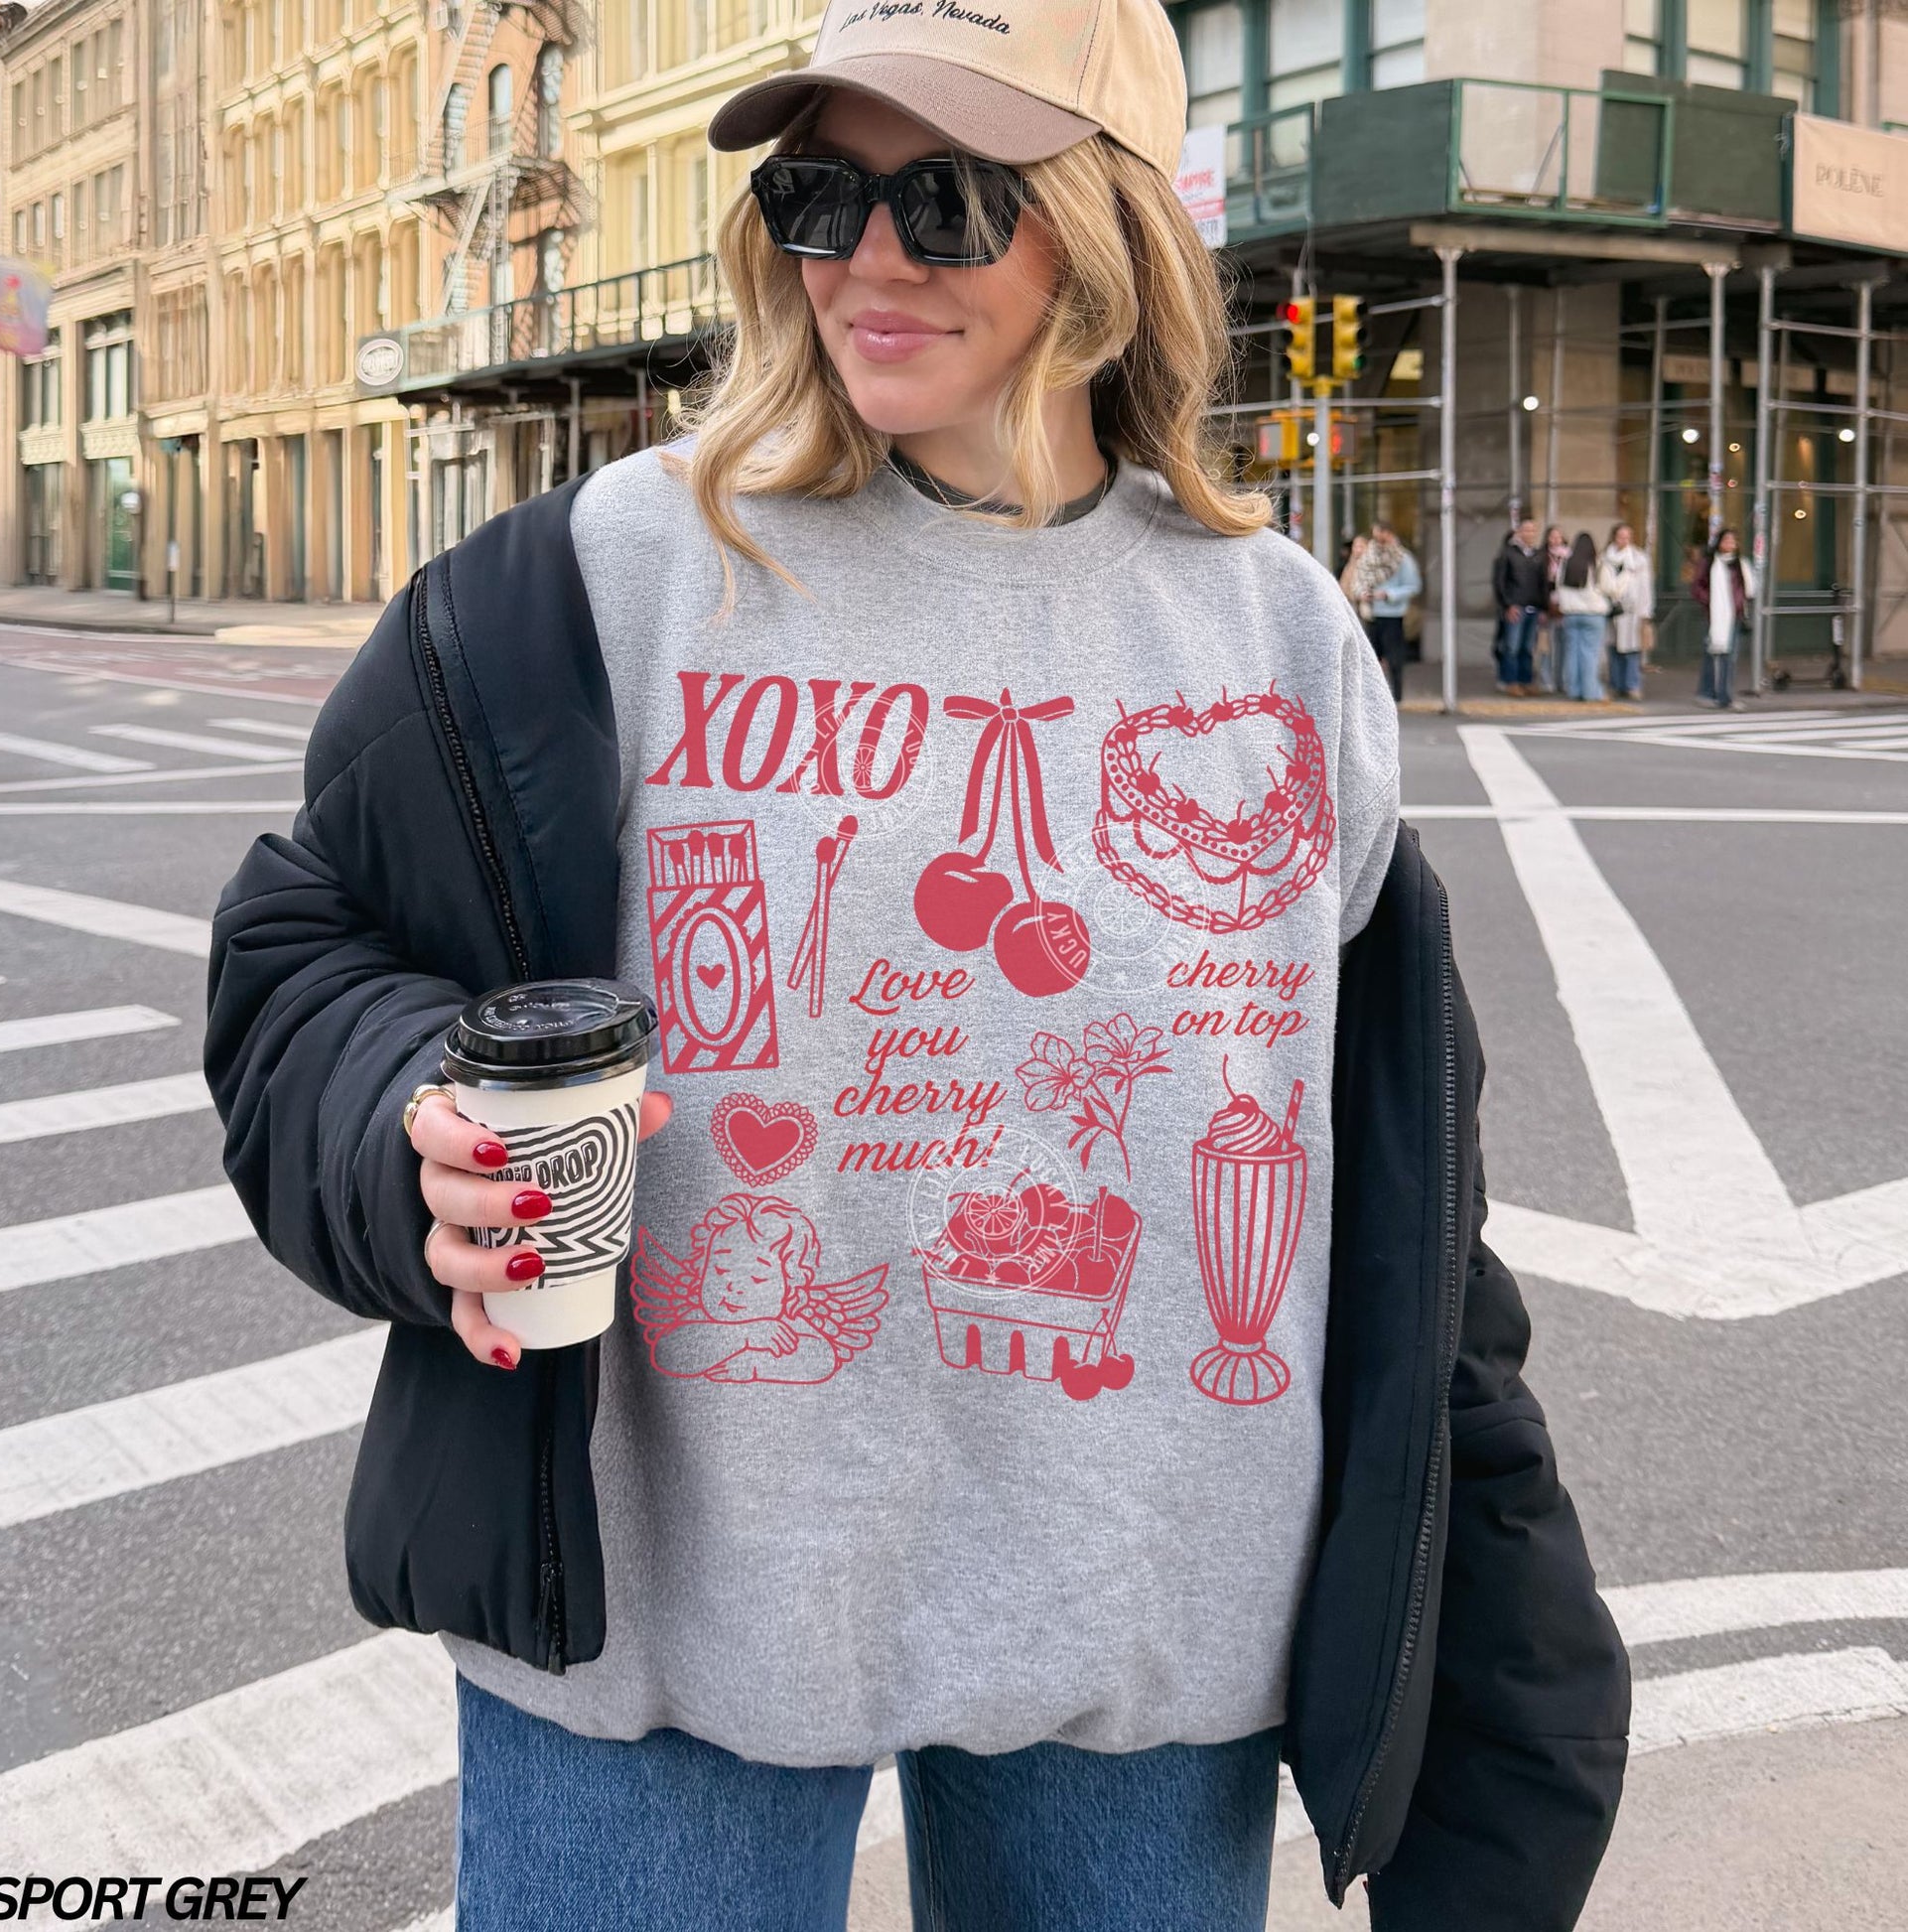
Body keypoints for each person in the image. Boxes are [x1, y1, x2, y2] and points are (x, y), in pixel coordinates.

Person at [204, 2, 1629, 1925]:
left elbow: (1387, 1193)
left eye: (942, 200)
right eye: (816, 191)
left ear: (1101, 222)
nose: (865, 254)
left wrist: (1502, 1660)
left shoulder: (1282, 639)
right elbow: (309, 942)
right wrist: (407, 1132)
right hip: (675, 1630)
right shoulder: (597, 584)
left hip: (1149, 1643)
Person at [1344, 518, 1419, 702]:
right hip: (1370, 613)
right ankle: (1371, 699)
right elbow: (1357, 580)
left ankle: (1397, 697)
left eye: (1382, 536)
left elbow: (1413, 586)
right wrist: (1362, 593)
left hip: (1392, 614)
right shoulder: (1369, 557)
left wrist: (1388, 594)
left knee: (1394, 660)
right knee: (1369, 660)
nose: (1379, 541)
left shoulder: (1402, 558)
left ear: (1390, 535)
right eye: (1376, 537)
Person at [1694, 526, 1755, 708]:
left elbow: (1748, 589)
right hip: (1713, 615)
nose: (1730, 544)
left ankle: (1725, 696)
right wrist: (1710, 601)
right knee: (1711, 654)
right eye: (1726, 540)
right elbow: (1697, 587)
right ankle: (1707, 693)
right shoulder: (1709, 563)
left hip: (1734, 615)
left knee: (1730, 657)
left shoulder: (1740, 564)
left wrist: (1738, 603)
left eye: (1733, 541)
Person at [1553, 530, 1609, 702]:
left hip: (1571, 614)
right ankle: (1591, 692)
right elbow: (1608, 588)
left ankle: (1574, 690)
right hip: (1593, 614)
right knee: (1590, 654)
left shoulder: (1566, 564)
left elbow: (1558, 586)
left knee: (1572, 653)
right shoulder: (1597, 564)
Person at [1599, 522, 1653, 701]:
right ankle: (1615, 684)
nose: (1624, 540)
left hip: (1632, 610)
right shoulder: (1605, 557)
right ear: (1614, 537)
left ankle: (1632, 685)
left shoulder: (1639, 559)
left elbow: (1646, 587)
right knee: (1613, 648)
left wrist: (1646, 612)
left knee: (1632, 649)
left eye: (1627, 537)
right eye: (1621, 536)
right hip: (1611, 610)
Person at [1492, 515, 1546, 696]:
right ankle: (1510, 681)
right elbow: (1499, 582)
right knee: (1512, 647)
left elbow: (1542, 583)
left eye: (1533, 530)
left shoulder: (1538, 555)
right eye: (1526, 530)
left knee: (1528, 647)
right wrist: (1507, 605)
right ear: (1519, 532)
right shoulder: (1508, 553)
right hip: (1516, 607)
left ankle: (1526, 680)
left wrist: (1543, 607)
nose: (1530, 533)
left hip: (1533, 607)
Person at [1536, 523, 1570, 692]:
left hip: (1565, 606)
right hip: (1546, 606)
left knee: (1564, 644)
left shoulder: (1569, 557)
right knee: (1545, 645)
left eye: (1559, 536)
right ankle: (1546, 680)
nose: (1556, 540)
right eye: (1552, 536)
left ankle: (1562, 680)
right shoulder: (1541, 557)